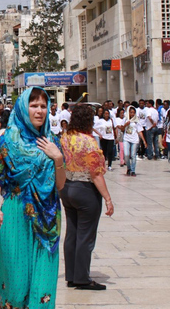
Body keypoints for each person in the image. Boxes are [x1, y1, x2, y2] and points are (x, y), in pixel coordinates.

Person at [0, 87, 66, 307]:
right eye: (34, 105)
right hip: (15, 215)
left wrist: (57, 158)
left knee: (43, 281)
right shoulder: (7, 141)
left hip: (47, 217)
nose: (39, 111)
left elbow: (60, 184)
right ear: (23, 108)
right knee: (15, 280)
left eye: (43, 106)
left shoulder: (53, 142)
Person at [59, 104, 114, 290]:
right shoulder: (89, 142)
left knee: (72, 233)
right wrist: (107, 198)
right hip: (85, 190)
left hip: (67, 188)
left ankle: (72, 275)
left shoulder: (66, 137)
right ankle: (82, 277)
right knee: (85, 236)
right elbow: (96, 173)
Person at [121, 107, 145, 177]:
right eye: (131, 112)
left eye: (133, 113)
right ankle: (128, 168)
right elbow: (122, 129)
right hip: (126, 139)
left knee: (133, 155)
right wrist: (126, 124)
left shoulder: (137, 121)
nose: (132, 114)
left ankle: (133, 170)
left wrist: (144, 140)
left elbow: (140, 131)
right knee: (126, 154)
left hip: (134, 139)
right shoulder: (125, 119)